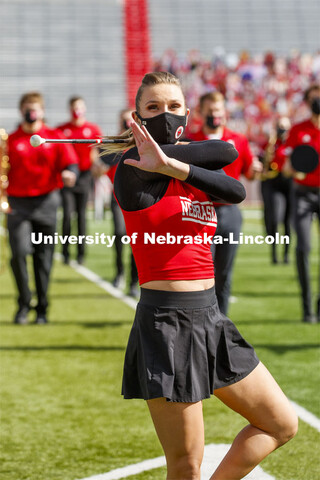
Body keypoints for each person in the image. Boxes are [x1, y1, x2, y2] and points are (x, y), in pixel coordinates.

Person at [101, 72, 297, 480]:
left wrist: (173, 162)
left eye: (174, 107)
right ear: (137, 116)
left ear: (187, 114)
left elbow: (229, 165)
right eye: (153, 108)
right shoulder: (130, 168)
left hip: (211, 318)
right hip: (167, 325)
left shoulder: (187, 168)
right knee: (186, 466)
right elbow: (202, 158)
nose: (165, 114)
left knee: (281, 424)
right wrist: (163, 159)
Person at [188, 91, 262, 315]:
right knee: (202, 273)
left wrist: (257, 169)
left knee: (224, 274)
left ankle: (222, 323)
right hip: (200, 212)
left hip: (230, 213)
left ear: (225, 112)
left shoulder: (238, 139)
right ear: (201, 112)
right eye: (210, 111)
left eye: (218, 110)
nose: (215, 115)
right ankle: (201, 321)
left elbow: (250, 173)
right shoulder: (191, 140)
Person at [7, 92, 78, 324]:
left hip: (47, 203)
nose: (31, 112)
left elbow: (71, 163)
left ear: (42, 111)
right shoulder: (10, 140)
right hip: (18, 204)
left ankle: (42, 308)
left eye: (35, 108)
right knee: (18, 253)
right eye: (27, 108)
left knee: (44, 258)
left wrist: (70, 173)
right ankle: (23, 302)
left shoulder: (53, 137)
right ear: (21, 111)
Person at [284, 84, 320, 323]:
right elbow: (288, 166)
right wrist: (293, 170)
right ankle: (307, 308)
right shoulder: (298, 130)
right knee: (303, 248)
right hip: (303, 194)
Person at [57, 96, 102, 264]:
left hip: (85, 176)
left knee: (82, 215)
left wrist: (97, 165)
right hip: (68, 176)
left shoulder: (92, 129)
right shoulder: (62, 130)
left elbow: (97, 151)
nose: (77, 110)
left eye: (80, 107)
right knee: (68, 215)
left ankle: (81, 253)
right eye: (74, 107)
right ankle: (65, 252)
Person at [99, 109, 139, 296]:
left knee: (136, 242)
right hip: (117, 197)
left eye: (130, 121)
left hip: (138, 199)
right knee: (119, 234)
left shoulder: (143, 143)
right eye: (124, 121)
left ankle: (133, 281)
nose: (127, 124)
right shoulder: (115, 143)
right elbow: (100, 160)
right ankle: (119, 273)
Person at [260, 116, 293, 264]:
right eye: (280, 126)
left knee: (288, 220)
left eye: (285, 126)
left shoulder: (292, 144)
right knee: (274, 218)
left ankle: (286, 255)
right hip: (274, 181)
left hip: (289, 182)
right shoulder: (271, 143)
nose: (282, 129)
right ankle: (273, 253)